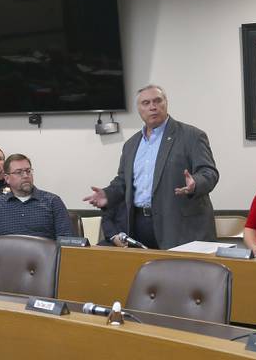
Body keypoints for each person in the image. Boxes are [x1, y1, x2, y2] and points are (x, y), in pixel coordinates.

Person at [84, 84, 219, 249]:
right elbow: (123, 181)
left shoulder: (192, 136)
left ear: (166, 103)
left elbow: (209, 172)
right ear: (139, 109)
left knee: (178, 274)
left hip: (179, 226)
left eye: (157, 101)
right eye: (146, 103)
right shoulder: (131, 145)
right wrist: (107, 195)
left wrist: (195, 183)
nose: (153, 107)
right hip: (140, 224)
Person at [0, 154, 73, 240]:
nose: (25, 176)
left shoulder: (52, 201)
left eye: (28, 171)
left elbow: (66, 240)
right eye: (19, 172)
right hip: (9, 253)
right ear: (7, 178)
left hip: (44, 253)